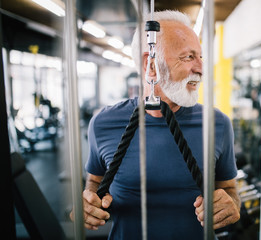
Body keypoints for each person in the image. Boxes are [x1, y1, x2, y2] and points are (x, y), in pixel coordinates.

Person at [71, 10, 240, 239]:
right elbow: (94, 181)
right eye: (188, 57)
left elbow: (230, 189)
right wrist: (88, 202)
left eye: (200, 57)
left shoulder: (217, 124)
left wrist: (231, 206)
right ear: (151, 66)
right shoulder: (103, 124)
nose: (201, 68)